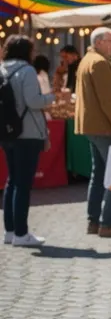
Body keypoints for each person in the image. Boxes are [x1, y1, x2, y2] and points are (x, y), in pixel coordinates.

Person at [75, 27, 111, 240]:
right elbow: (108, 101)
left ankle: (94, 221)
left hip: (94, 127)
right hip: (104, 127)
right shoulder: (98, 63)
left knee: (98, 174)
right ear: (98, 42)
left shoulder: (88, 60)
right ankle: (106, 223)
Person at [1, 36, 57, 247]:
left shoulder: (2, 69)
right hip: (28, 132)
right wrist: (51, 97)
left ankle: (10, 231)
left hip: (7, 132)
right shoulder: (27, 71)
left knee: (12, 180)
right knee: (23, 184)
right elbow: (34, 101)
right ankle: (21, 233)